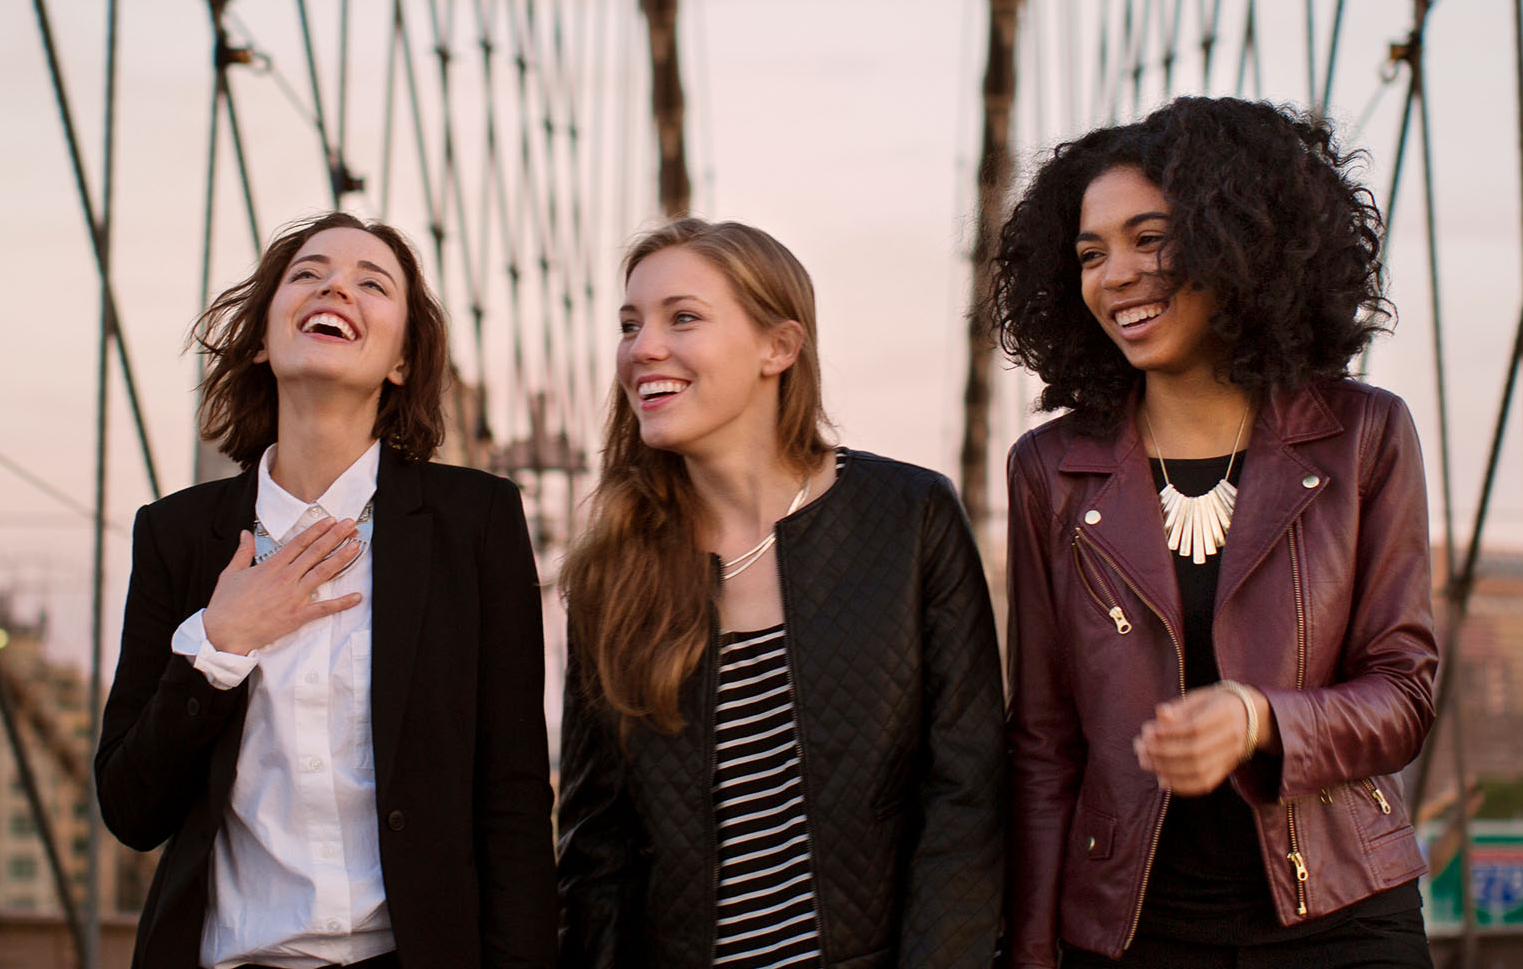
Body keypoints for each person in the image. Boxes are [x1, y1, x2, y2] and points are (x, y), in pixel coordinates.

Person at [990, 97, 1439, 967]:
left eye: (1149, 238)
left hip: (1345, 914)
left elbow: (1405, 696)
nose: (1115, 275)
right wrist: (1034, 952)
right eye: (1090, 254)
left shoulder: (1364, 435)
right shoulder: (1048, 469)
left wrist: (1262, 716)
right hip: (1130, 929)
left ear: (1240, 242)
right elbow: (1043, 744)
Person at [96, 212, 558, 969]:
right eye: (308, 274)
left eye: (372, 283)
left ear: (403, 361)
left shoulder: (475, 521)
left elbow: (510, 799)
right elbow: (130, 808)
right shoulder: (177, 537)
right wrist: (218, 645)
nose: (337, 286)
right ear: (260, 339)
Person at [556, 218, 1006, 967]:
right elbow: (596, 851)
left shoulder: (910, 515)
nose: (642, 348)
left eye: (683, 317)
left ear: (780, 347)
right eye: (630, 324)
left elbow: (966, 794)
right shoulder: (615, 571)